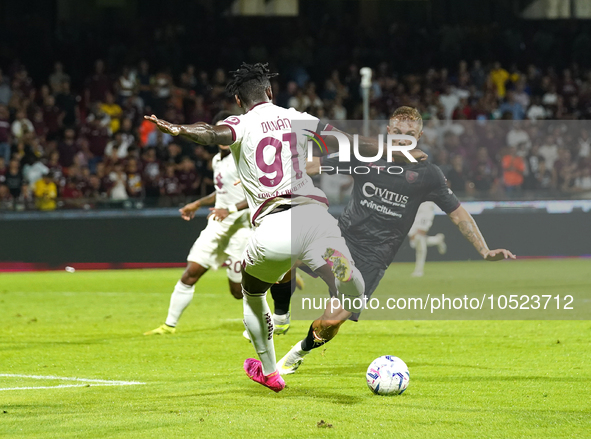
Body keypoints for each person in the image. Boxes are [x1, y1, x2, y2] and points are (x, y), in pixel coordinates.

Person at [144, 63, 422, 392]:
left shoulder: (240, 123)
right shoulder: (296, 118)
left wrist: (178, 129)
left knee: (251, 292)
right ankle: (348, 279)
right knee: (346, 279)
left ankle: (270, 370)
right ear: (270, 92)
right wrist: (396, 150)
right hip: (316, 219)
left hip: (273, 228)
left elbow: (210, 133)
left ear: (237, 99)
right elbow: (350, 142)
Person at [279, 107, 516, 375]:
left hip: (372, 259)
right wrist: (272, 178)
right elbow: (314, 165)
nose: (404, 138)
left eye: (410, 134)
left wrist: (484, 250)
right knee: (283, 252)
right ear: (389, 132)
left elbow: (458, 214)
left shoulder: (429, 175)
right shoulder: (364, 157)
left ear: (420, 136)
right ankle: (280, 314)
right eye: (399, 133)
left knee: (329, 324)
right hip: (339, 239)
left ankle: (299, 351)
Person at [144, 111, 297, 337]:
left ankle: (279, 298)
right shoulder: (217, 160)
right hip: (217, 225)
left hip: (241, 229)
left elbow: (260, 192)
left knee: (239, 291)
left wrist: (231, 209)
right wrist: (196, 203)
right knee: (191, 273)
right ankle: (169, 325)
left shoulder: (244, 158)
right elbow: (221, 193)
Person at [408, 201, 446, 277]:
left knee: (419, 236)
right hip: (416, 205)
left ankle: (419, 270)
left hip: (426, 207)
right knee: (413, 242)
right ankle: (436, 240)